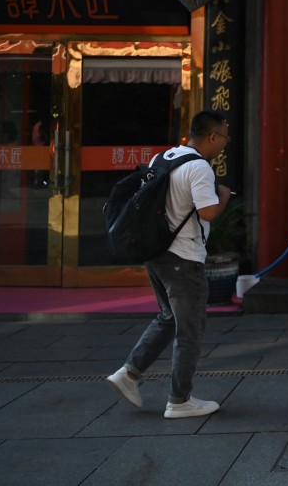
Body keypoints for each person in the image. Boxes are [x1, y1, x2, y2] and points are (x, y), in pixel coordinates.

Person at [106, 110, 232, 419]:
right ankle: (180, 399)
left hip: (156, 251)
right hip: (183, 258)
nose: (225, 144)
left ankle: (129, 373)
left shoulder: (164, 157)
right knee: (189, 330)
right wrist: (225, 196)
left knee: (168, 318)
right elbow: (208, 213)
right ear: (212, 137)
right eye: (225, 137)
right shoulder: (199, 167)